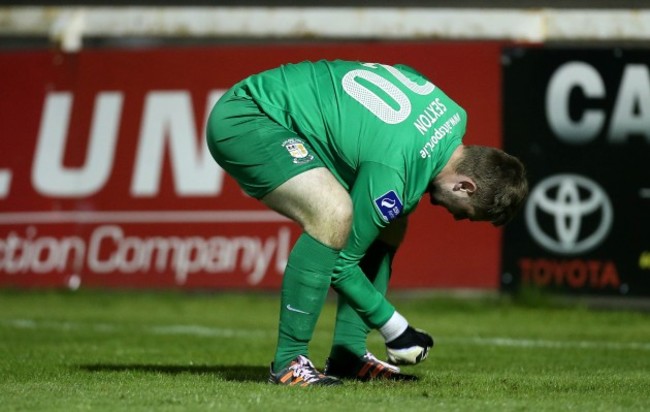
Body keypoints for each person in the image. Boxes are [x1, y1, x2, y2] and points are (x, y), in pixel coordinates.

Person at [206, 60, 528, 386]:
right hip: (249, 117)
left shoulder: (452, 113)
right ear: (465, 186)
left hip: (281, 105)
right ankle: (288, 362)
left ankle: (348, 354)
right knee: (331, 214)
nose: (457, 217)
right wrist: (395, 328)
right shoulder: (393, 168)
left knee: (392, 220)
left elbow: (405, 73)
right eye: (467, 212)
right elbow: (340, 264)